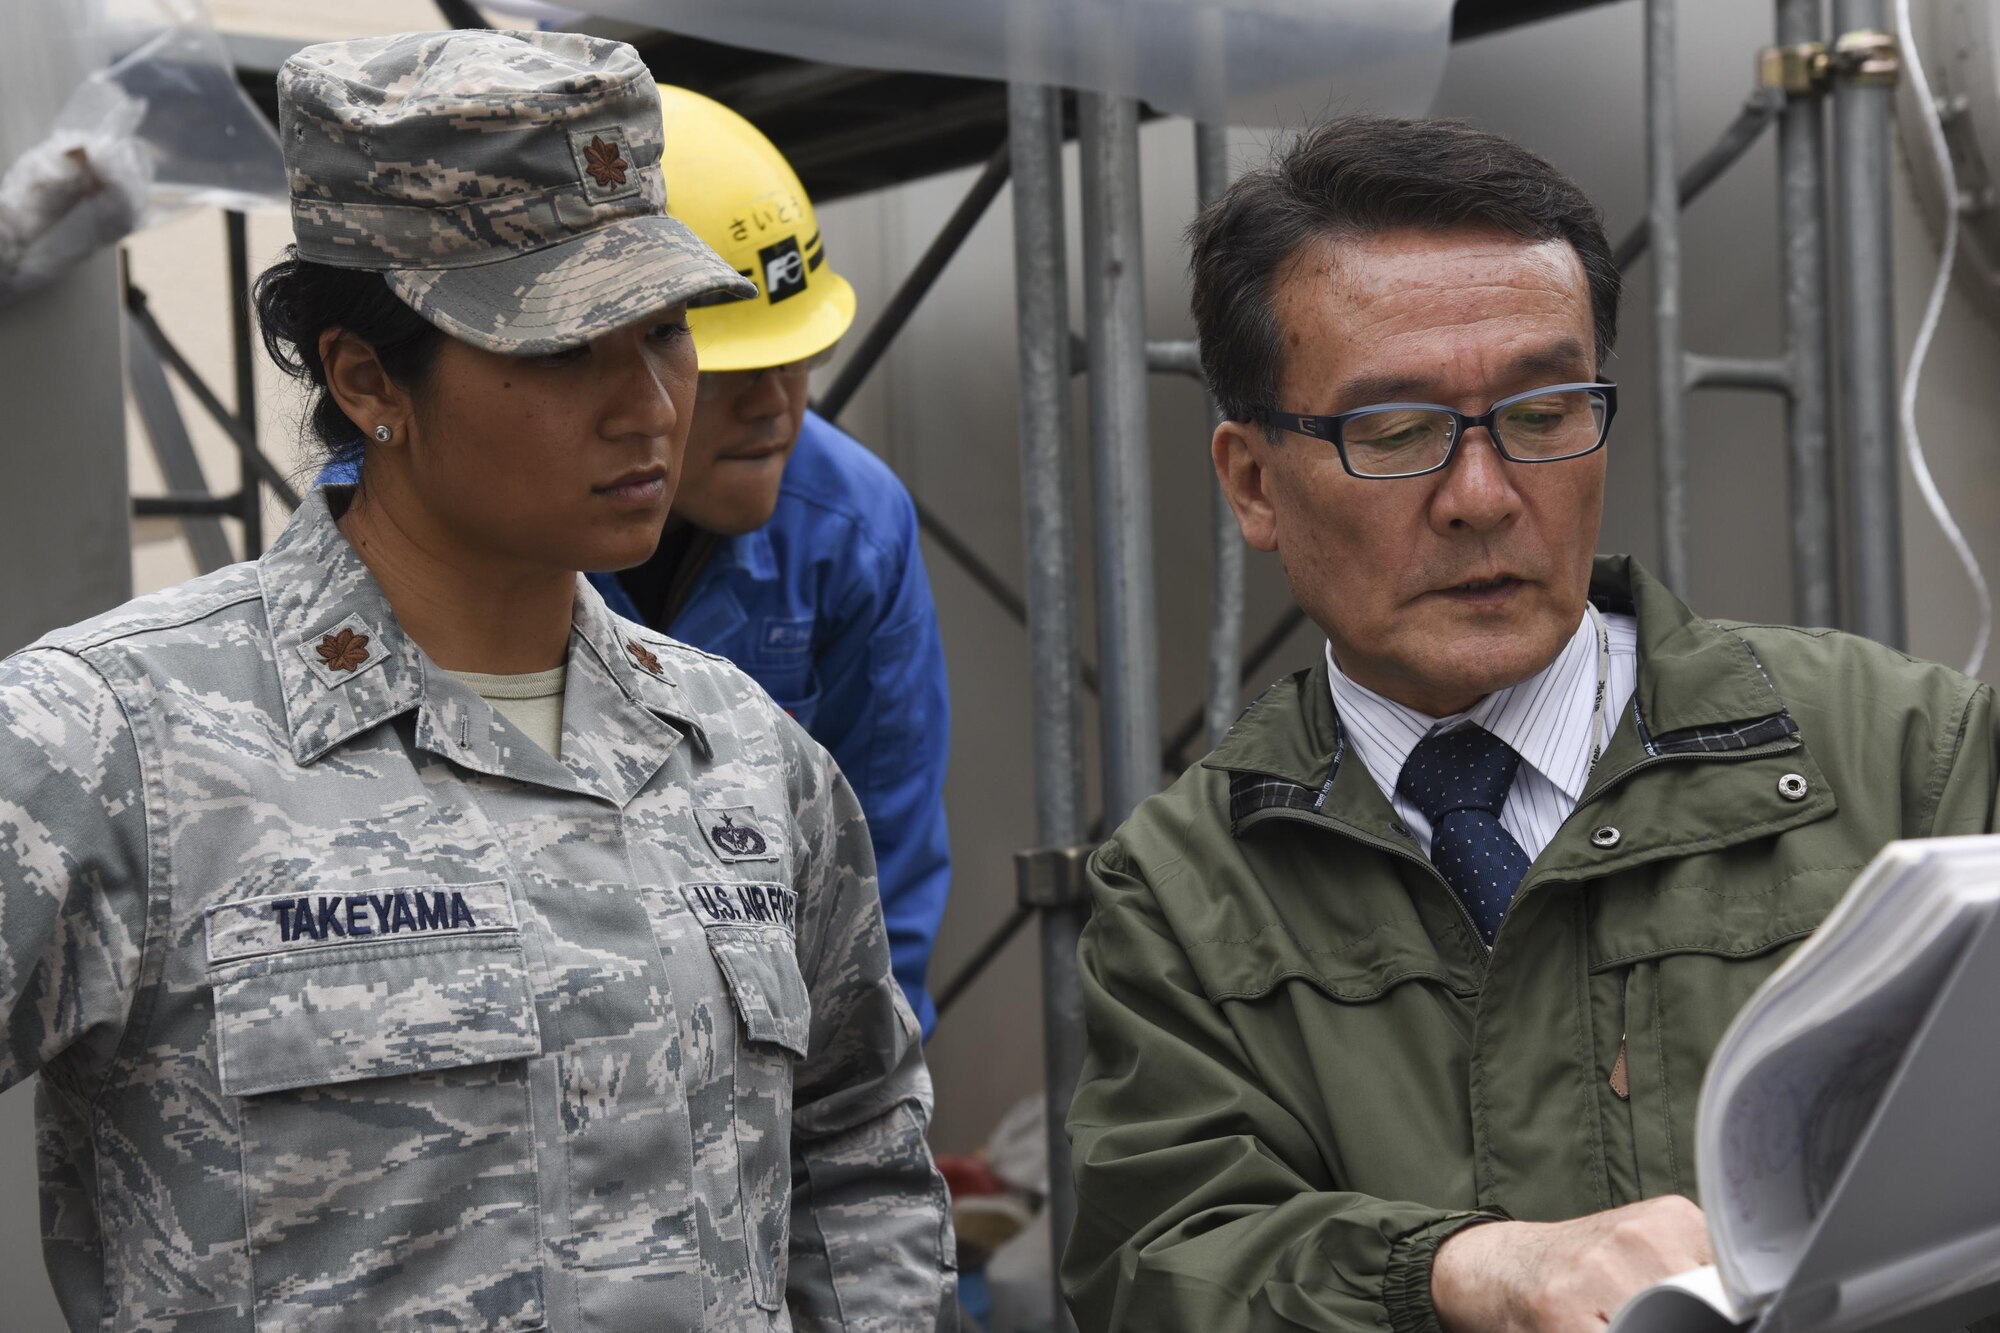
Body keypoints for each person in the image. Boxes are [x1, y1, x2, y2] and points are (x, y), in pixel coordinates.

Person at [0, 29, 953, 1332]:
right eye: (567, 349)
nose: (651, 404)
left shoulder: (741, 751)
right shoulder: (111, 745)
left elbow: (856, 1142)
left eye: (666, 332)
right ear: (366, 375)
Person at [1061, 115, 2000, 1333]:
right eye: (1393, 432)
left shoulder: (1903, 754)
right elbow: (1160, 1264)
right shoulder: (1187, 891)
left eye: (1544, 412)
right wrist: (1461, 1271)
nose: (1481, 496)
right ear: (1250, 482)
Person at [588, 86, 953, 1041]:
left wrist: (865, 1131)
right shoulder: (461, 534)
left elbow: (887, 877)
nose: (781, 403)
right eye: (736, 365)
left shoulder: (851, 530)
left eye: (800, 357)